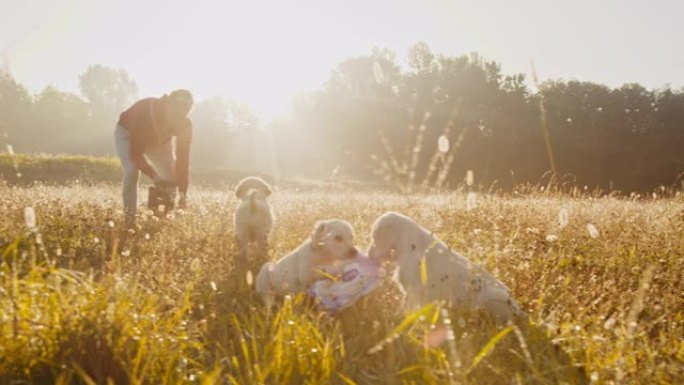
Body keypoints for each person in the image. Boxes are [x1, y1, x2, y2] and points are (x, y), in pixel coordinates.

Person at [114, 89, 194, 219]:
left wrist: (183, 194)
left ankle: (163, 216)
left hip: (159, 141)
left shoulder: (185, 124)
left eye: (182, 115)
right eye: (174, 114)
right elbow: (136, 154)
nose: (176, 120)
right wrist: (154, 176)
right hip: (128, 134)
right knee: (132, 171)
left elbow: (183, 160)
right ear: (167, 104)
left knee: (171, 176)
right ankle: (130, 217)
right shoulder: (146, 112)